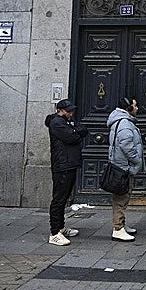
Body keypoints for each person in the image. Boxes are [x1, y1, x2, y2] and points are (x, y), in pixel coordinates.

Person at [45, 99, 88, 246]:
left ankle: (61, 227)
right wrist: (75, 131)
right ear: (60, 110)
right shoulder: (57, 123)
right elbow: (73, 137)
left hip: (70, 163)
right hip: (62, 164)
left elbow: (83, 130)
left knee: (64, 198)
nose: (71, 113)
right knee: (59, 199)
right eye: (68, 111)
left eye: (72, 110)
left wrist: (75, 130)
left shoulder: (68, 122)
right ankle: (54, 233)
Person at [107, 96, 144, 242]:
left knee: (123, 196)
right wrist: (137, 159)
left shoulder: (121, 121)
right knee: (121, 198)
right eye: (135, 105)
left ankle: (121, 224)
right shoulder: (124, 124)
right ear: (128, 108)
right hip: (123, 166)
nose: (137, 108)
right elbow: (126, 145)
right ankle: (118, 229)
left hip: (121, 164)